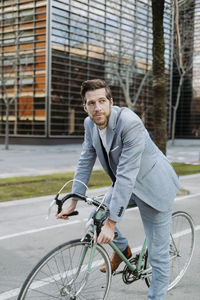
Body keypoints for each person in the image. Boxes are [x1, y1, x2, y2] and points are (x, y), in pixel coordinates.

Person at [57, 79, 180, 300]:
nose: (97, 108)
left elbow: (126, 174)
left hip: (154, 186)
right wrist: (73, 201)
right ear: (84, 107)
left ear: (111, 102)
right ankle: (123, 250)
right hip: (127, 183)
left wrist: (112, 224)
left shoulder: (129, 123)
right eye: (91, 103)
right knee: (96, 218)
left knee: (158, 257)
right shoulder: (89, 125)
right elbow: (85, 160)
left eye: (102, 101)